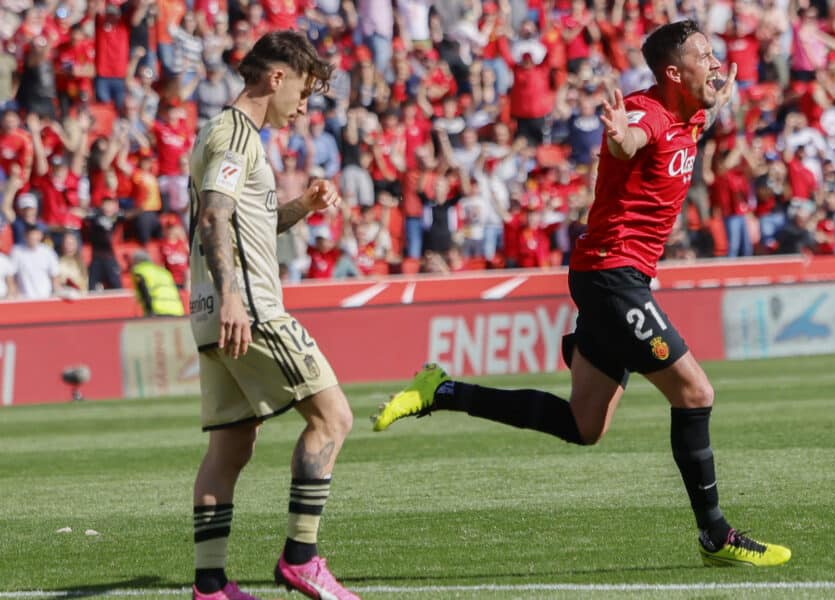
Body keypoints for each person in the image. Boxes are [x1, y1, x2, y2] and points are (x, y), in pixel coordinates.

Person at [372, 20, 791, 568]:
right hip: (611, 276)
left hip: (614, 277)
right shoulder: (645, 115)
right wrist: (619, 137)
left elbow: (688, 126)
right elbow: (631, 138)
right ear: (672, 72)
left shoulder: (689, 112)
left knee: (583, 426)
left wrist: (713, 102)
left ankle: (442, 392)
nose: (716, 64)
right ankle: (716, 534)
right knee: (695, 395)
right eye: (705, 56)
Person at [186, 31, 358, 600]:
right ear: (276, 78)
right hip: (248, 307)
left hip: (211, 311)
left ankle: (210, 586)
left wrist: (300, 208)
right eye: (305, 91)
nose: (306, 106)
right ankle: (301, 559)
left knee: (230, 446)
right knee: (332, 417)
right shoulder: (236, 135)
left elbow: (241, 223)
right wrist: (235, 296)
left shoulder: (228, 135)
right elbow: (214, 217)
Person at [130, 250, 184, 316]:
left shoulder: (139, 271)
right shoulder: (164, 272)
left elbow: (144, 291)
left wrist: (149, 311)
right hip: (177, 310)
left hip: (158, 310)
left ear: (136, 261)